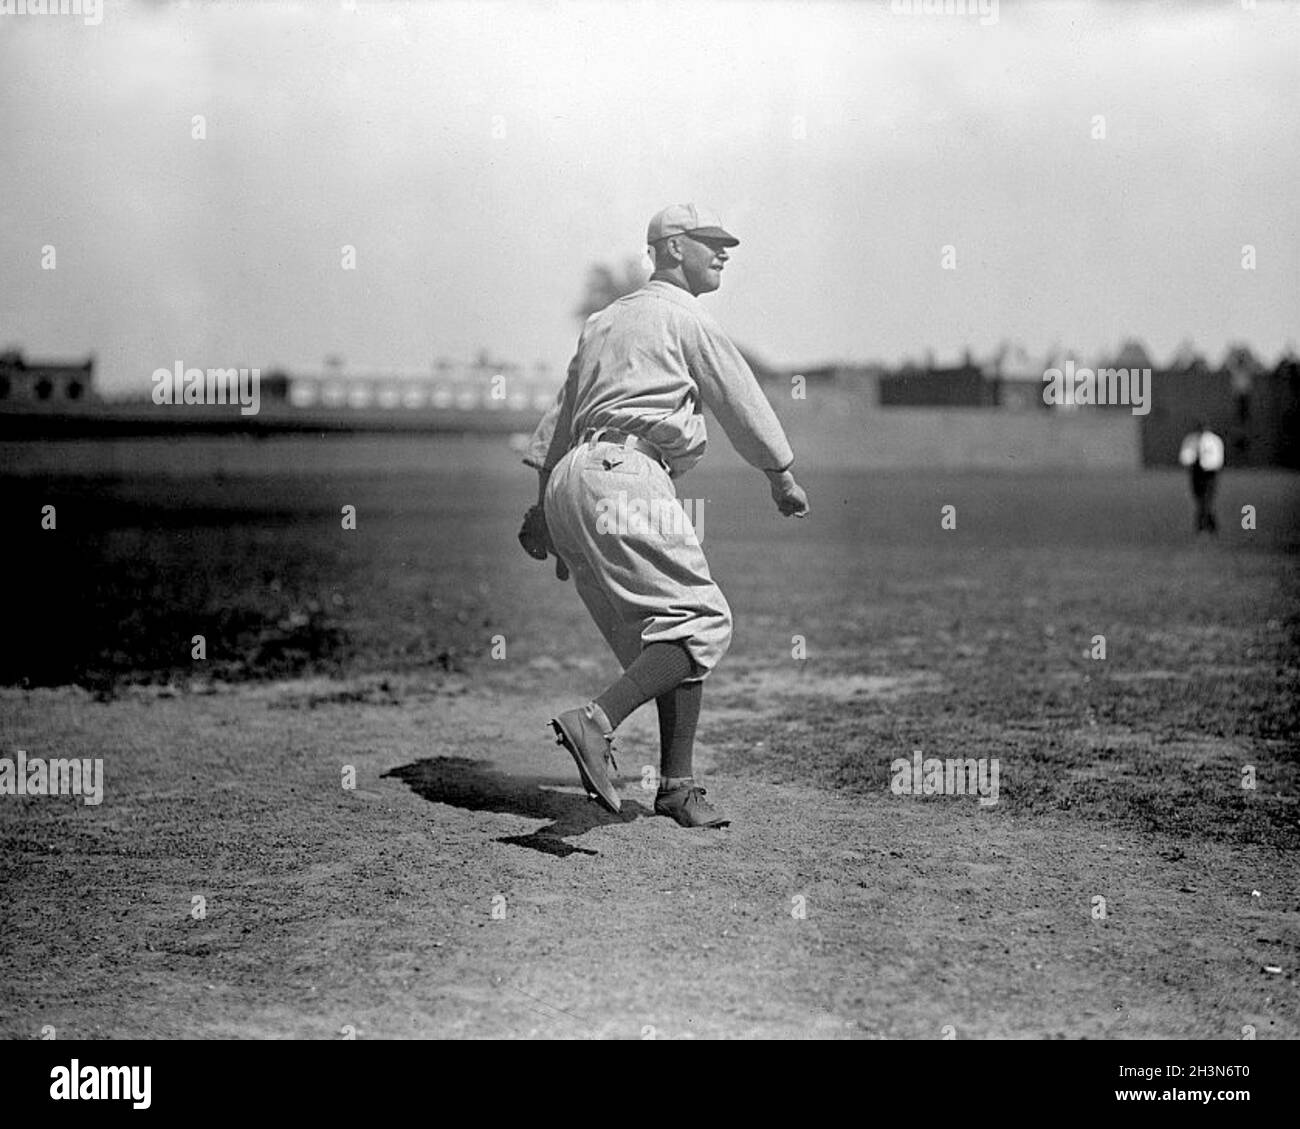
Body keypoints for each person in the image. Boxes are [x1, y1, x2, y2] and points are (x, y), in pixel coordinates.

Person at [517, 203, 809, 828]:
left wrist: (547, 511)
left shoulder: (604, 320)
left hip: (573, 479)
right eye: (711, 242)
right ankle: (594, 722)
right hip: (628, 474)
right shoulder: (683, 316)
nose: (724, 252)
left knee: (666, 634)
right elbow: (740, 399)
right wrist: (779, 472)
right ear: (673, 248)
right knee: (700, 619)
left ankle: (677, 787)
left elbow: (560, 421)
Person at [1178, 421, 1225, 534]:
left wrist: (1207, 463)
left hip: (1209, 473)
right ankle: (1209, 523)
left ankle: (1201, 524)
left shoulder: (1214, 441)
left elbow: (1218, 458)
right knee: (1199, 498)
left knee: (1206, 499)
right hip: (1196, 472)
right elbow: (1184, 455)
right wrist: (1192, 459)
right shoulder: (1191, 440)